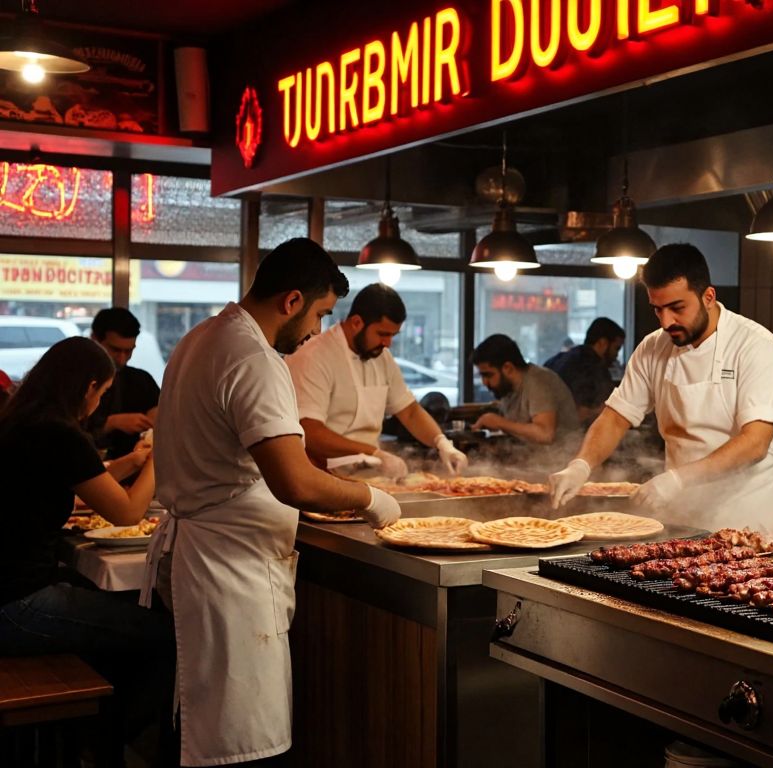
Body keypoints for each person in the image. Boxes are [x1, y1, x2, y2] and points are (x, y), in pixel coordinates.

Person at [144, 238, 402, 767]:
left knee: (197, 722)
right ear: (291, 301)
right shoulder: (253, 358)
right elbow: (295, 482)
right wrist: (372, 499)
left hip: (204, 556)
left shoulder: (201, 337)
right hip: (227, 573)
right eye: (319, 314)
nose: (314, 331)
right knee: (238, 741)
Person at [0, 337, 172, 756]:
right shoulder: (61, 434)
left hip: (9, 592)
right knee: (167, 632)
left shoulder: (21, 421)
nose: (100, 403)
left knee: (110, 617)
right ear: (87, 387)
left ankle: (103, 734)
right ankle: (121, 743)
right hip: (17, 604)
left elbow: (71, 477)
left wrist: (129, 463)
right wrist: (156, 457)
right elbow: (129, 513)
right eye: (102, 393)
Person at [549, 244, 773, 515]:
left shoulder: (755, 345)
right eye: (657, 309)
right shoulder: (652, 348)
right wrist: (581, 465)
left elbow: (755, 442)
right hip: (684, 511)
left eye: (677, 308)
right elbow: (615, 418)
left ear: (708, 296)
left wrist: (678, 479)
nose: (666, 322)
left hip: (748, 511)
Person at [287, 283, 468, 479]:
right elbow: (310, 432)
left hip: (371, 476)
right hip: (322, 476)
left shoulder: (382, 357)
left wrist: (442, 443)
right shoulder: (315, 356)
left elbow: (409, 411)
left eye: (392, 335)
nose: (388, 343)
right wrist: (373, 452)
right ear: (356, 322)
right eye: (383, 334)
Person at [470, 334, 581, 447]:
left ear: (508, 368)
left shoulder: (538, 382)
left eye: (488, 375)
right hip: (535, 458)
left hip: (563, 459)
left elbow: (545, 434)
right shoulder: (508, 387)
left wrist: (499, 422)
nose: (484, 382)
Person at [85, 306, 160, 459]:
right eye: (115, 350)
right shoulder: (74, 381)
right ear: (94, 339)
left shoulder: (142, 380)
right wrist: (112, 423)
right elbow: (63, 432)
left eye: (129, 351)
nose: (122, 359)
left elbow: (160, 419)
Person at [545, 317, 626, 426]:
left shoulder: (558, 359)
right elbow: (581, 414)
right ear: (603, 343)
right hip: (569, 432)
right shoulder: (594, 367)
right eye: (616, 348)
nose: (616, 356)